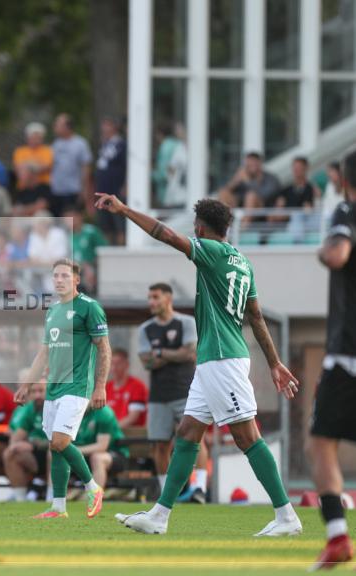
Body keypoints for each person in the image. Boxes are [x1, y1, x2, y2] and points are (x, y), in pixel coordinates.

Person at [96, 192, 301, 536]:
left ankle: (286, 515)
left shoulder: (212, 252)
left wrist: (124, 209)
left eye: (195, 228)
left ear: (202, 229)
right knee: (188, 434)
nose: (193, 233)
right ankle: (160, 516)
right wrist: (274, 362)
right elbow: (256, 317)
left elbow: (164, 233)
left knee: (247, 437)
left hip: (222, 359)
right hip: (214, 361)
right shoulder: (242, 261)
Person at [15, 258, 110, 519]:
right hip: (53, 388)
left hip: (77, 386)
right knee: (54, 445)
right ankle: (58, 507)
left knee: (60, 441)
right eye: (55, 276)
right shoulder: (53, 310)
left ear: (76, 280)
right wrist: (27, 385)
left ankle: (93, 488)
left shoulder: (89, 308)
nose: (59, 280)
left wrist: (100, 386)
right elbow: (44, 353)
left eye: (65, 276)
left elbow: (104, 347)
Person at [309, 149, 356, 569]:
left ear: (343, 180)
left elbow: (338, 253)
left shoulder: (346, 208)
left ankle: (338, 537)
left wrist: (324, 253)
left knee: (322, 441)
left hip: (349, 354)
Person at [137, 282, 208, 503]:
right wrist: (173, 353)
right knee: (160, 445)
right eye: (149, 297)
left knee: (196, 440)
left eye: (155, 297)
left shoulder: (185, 322)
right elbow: (146, 361)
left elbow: (189, 354)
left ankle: (199, 489)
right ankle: (167, 493)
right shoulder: (146, 329)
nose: (151, 302)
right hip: (159, 395)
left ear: (168, 298)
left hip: (187, 392)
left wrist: (159, 352)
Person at [3, 378, 49, 501]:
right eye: (33, 392)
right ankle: (20, 499)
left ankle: (53, 496)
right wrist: (14, 445)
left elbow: (61, 441)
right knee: (11, 453)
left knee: (53, 453)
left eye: (41, 391)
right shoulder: (30, 408)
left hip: (55, 452)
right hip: (36, 454)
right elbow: (19, 433)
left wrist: (32, 445)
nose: (37, 395)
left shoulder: (56, 407)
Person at [50, 113, 92, 216]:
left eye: (58, 125)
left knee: (71, 222)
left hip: (73, 190)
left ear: (67, 127)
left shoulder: (80, 143)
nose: (54, 127)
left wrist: (85, 189)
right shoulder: (56, 144)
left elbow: (86, 167)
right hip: (57, 191)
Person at [94, 117, 127, 245]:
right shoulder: (104, 145)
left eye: (107, 125)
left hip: (116, 189)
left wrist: (125, 185)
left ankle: (121, 251)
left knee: (119, 224)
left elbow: (125, 165)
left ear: (114, 127)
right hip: (103, 189)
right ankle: (107, 251)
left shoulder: (121, 144)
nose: (104, 129)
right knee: (105, 225)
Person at [105, 348, 147, 431]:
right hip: (110, 433)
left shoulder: (137, 386)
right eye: (112, 363)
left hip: (131, 435)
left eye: (118, 363)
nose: (114, 368)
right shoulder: (106, 388)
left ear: (127, 364)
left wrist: (111, 430)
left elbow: (133, 417)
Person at [13, 122, 52, 188]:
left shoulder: (47, 150)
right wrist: (35, 165)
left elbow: (46, 167)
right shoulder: (20, 151)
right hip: (24, 186)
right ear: (28, 138)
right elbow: (18, 168)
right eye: (33, 136)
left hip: (43, 185)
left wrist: (27, 166)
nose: (36, 139)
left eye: (38, 137)